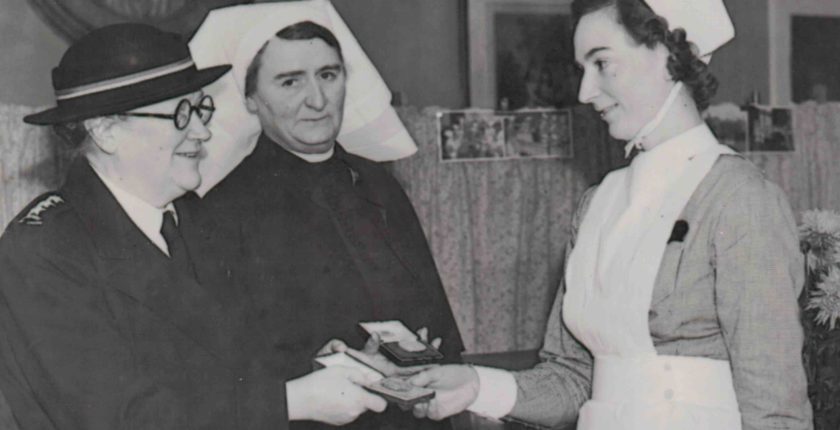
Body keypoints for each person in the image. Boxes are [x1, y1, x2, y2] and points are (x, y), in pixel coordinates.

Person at [410, 0, 813, 429]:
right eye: (582, 69)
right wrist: (476, 386)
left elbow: (775, 408)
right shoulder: (597, 204)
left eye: (602, 63)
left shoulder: (739, 200)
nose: (585, 92)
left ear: (668, 55)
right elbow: (572, 379)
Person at [0, 23, 386, 429]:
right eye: (181, 114)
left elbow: (230, 364)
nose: (202, 131)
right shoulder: (43, 250)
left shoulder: (193, 218)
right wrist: (291, 401)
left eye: (201, 109)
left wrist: (319, 366)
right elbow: (118, 417)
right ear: (106, 130)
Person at [185, 2, 464, 429]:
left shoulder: (379, 187)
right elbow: (231, 367)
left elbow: (436, 321)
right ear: (251, 99)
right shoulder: (223, 211)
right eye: (289, 81)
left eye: (328, 76)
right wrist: (336, 364)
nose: (316, 100)